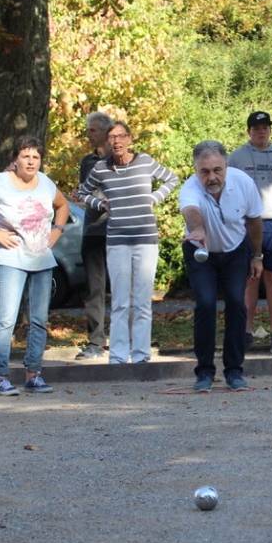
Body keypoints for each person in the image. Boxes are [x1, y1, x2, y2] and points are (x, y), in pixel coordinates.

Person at [0, 137, 69, 395]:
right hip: (12, 258)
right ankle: (0, 377)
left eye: (36, 157)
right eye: (25, 156)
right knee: (6, 320)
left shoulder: (46, 183)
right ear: (15, 159)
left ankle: (34, 373)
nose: (31, 161)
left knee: (39, 320)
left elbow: (62, 205)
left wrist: (57, 231)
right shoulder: (1, 183)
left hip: (41, 258)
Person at [77, 121, 177, 365]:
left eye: (121, 136)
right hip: (117, 239)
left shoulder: (144, 161)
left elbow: (171, 179)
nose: (117, 141)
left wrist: (153, 198)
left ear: (130, 139)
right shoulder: (101, 168)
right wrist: (101, 204)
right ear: (107, 142)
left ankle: (141, 355)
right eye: (112, 137)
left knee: (142, 301)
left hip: (145, 239)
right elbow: (82, 192)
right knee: (120, 301)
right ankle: (118, 356)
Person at [180, 140, 264, 392]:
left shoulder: (243, 183)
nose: (212, 177)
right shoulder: (190, 188)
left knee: (237, 303)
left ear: (226, 165)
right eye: (205, 171)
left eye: (217, 170)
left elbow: (255, 221)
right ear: (196, 170)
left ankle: (234, 371)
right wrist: (197, 228)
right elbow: (191, 210)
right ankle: (204, 372)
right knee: (205, 303)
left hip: (236, 250)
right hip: (200, 250)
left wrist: (257, 256)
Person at [227, 111, 272, 353]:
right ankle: (246, 331)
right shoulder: (236, 157)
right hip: (246, 224)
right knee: (250, 278)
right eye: (256, 128)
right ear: (249, 131)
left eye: (265, 127)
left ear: (270, 130)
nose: (261, 131)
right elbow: (228, 190)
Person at [76, 110, 111, 360]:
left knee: (122, 287)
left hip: (119, 230)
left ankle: (124, 338)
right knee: (95, 288)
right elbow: (86, 192)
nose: (88, 134)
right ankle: (96, 341)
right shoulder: (88, 161)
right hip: (93, 231)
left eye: (93, 130)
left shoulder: (121, 160)